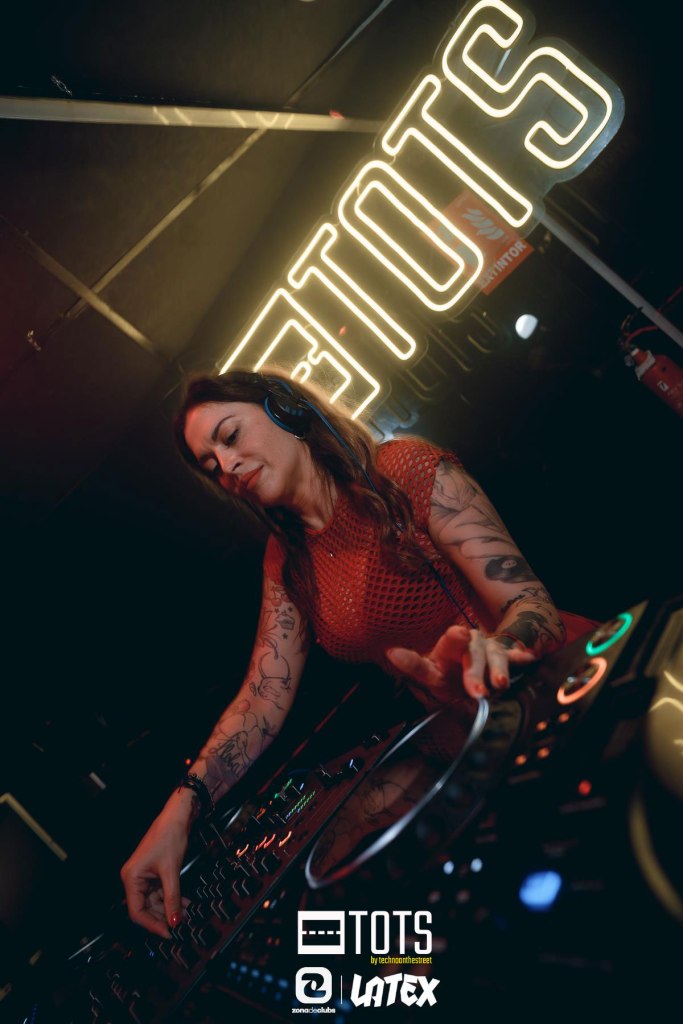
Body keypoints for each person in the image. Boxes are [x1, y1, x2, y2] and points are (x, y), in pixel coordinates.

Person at [120, 368, 596, 938]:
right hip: (459, 742)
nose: (226, 466)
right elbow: (263, 698)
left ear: (284, 410)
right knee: (329, 884)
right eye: (210, 465)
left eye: (230, 436)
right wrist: (180, 812)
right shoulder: (287, 559)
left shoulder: (403, 469)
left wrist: (493, 651)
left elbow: (530, 605)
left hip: (561, 696)